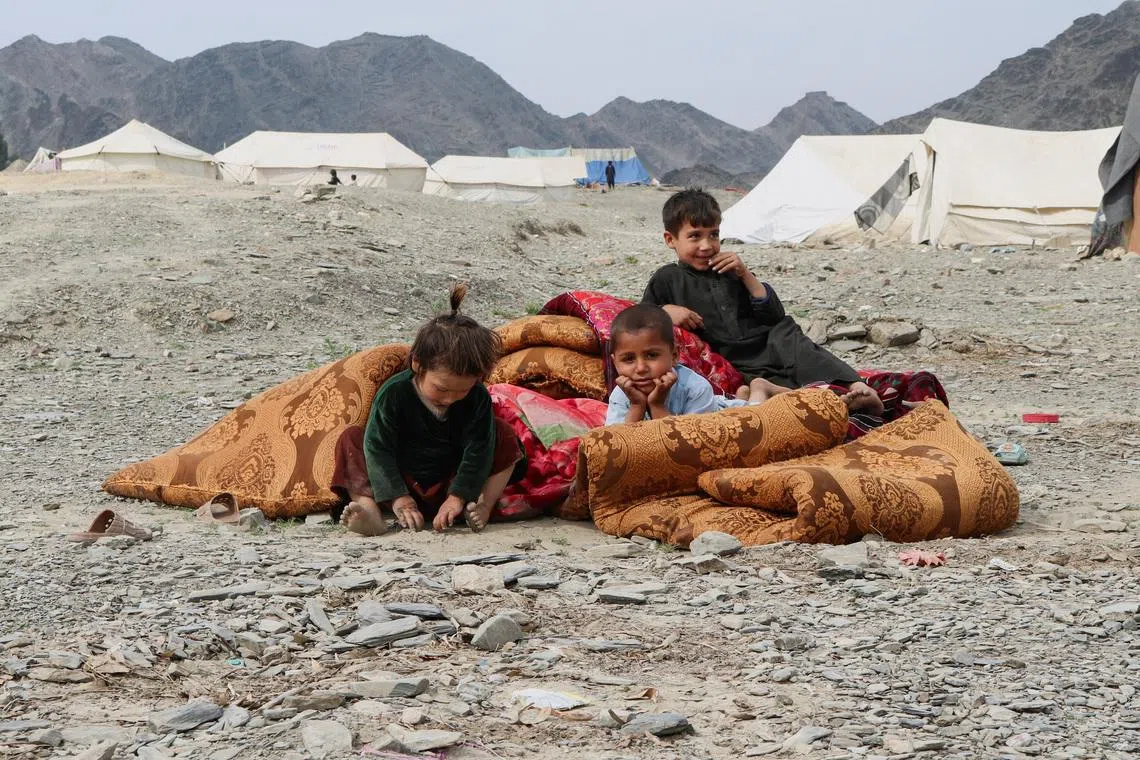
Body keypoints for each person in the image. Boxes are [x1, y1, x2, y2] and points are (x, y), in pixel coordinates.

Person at [643, 188, 883, 414]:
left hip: (766, 342)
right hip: (729, 354)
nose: (706, 246)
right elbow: (639, 320)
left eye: (713, 235)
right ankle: (813, 399)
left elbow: (774, 315)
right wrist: (664, 311)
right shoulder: (667, 278)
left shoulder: (728, 269)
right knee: (757, 385)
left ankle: (855, 386)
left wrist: (744, 274)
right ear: (670, 239)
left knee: (789, 334)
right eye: (694, 236)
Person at [334, 284, 526, 536]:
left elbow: (479, 449)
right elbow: (378, 448)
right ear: (417, 364)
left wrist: (457, 497)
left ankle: (484, 506)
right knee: (351, 439)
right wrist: (399, 498)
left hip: (450, 482)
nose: (450, 399)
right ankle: (369, 512)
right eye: (442, 389)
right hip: (401, 482)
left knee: (502, 433)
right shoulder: (394, 393)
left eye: (462, 391)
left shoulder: (477, 397)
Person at [606, 303, 746, 425]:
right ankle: (746, 393)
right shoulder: (622, 394)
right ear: (615, 363)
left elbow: (688, 446)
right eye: (629, 359)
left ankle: (758, 390)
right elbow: (618, 448)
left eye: (652, 355)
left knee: (756, 415)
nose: (641, 368)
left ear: (674, 355)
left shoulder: (695, 388)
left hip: (720, 415)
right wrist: (637, 405)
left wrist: (657, 405)